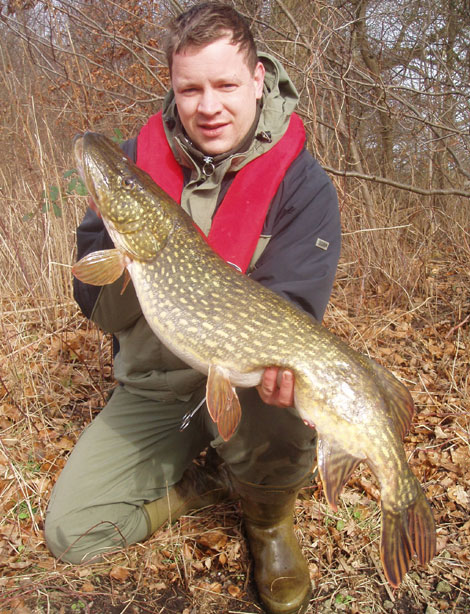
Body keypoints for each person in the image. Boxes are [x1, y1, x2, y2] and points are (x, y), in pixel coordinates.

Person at [44, 3, 341, 614]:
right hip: (155, 387)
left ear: (259, 78)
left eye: (226, 85)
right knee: (72, 532)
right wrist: (119, 248)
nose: (209, 106)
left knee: (284, 391)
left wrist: (278, 371)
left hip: (248, 386)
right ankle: (201, 483)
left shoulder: (302, 185)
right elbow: (94, 309)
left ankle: (267, 518)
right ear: (173, 89)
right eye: (191, 88)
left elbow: (291, 311)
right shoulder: (135, 169)